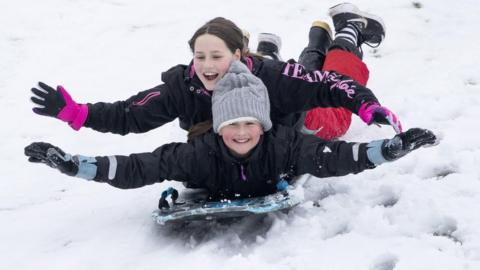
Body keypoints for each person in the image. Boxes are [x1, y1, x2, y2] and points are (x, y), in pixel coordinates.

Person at [25, 61, 436, 200]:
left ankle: (336, 34)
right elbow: (139, 167)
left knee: (328, 120)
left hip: (295, 110)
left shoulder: (285, 144)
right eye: (232, 126)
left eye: (248, 126)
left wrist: (389, 149)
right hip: (266, 101)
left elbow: (336, 158)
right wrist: (74, 165)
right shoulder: (197, 150)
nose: (240, 133)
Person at [30, 3, 401, 142]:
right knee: (298, 77)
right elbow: (132, 115)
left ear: (239, 56)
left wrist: (366, 107)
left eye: (216, 57)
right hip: (242, 127)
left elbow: (331, 85)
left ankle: (347, 30)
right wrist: (77, 113)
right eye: (199, 56)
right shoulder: (184, 86)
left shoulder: (269, 79)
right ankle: (305, 41)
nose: (206, 66)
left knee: (330, 119)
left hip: (291, 124)